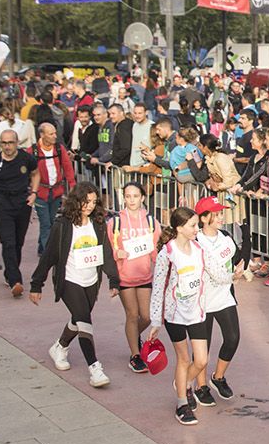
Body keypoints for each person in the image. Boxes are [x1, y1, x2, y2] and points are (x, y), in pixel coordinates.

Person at [29, 180, 119, 388]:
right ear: (76, 200)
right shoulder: (63, 225)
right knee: (85, 322)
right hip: (70, 280)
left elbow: (106, 252)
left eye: (93, 202)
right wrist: (36, 284)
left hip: (91, 281)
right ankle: (95, 368)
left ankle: (59, 347)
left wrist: (113, 279)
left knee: (78, 320)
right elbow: (49, 255)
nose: (89, 206)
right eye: (85, 201)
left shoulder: (98, 224)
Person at [146, 207, 222, 426]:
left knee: (202, 359)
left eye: (197, 224)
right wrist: (155, 321)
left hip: (196, 312)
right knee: (184, 359)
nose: (196, 229)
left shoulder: (199, 248)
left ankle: (183, 383)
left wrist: (230, 274)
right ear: (179, 228)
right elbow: (158, 287)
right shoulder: (167, 254)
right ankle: (182, 403)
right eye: (192, 226)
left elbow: (214, 270)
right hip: (175, 315)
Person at [195, 195, 243, 401]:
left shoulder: (225, 236)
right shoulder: (195, 240)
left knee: (232, 338)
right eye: (216, 214)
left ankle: (219, 377)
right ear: (204, 218)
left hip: (224, 296)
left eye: (221, 213)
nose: (221, 217)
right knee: (202, 348)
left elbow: (239, 257)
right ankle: (201, 386)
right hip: (202, 299)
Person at [0, 129, 36, 298]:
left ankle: (10, 273)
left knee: (18, 243)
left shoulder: (26, 158)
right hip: (3, 203)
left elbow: (36, 173)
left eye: (10, 142)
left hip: (22, 203)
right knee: (8, 242)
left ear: (17, 143)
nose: (7, 146)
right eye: (4, 143)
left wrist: (34, 193)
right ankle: (15, 281)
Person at [109, 181, 160, 374]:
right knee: (132, 315)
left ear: (143, 198)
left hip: (145, 275)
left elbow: (155, 250)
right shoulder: (115, 222)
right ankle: (135, 355)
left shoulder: (151, 222)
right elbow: (110, 248)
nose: (132, 200)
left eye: (135, 196)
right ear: (124, 198)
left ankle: (133, 337)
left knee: (146, 317)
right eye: (128, 196)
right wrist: (117, 253)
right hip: (125, 277)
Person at [29, 121, 76, 256]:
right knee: (46, 224)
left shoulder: (59, 149)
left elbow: (67, 167)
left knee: (49, 221)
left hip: (56, 192)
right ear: (42, 135)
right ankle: (49, 253)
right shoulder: (33, 151)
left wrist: (72, 185)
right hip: (40, 192)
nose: (55, 136)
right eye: (51, 134)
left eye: (55, 133)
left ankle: (42, 247)